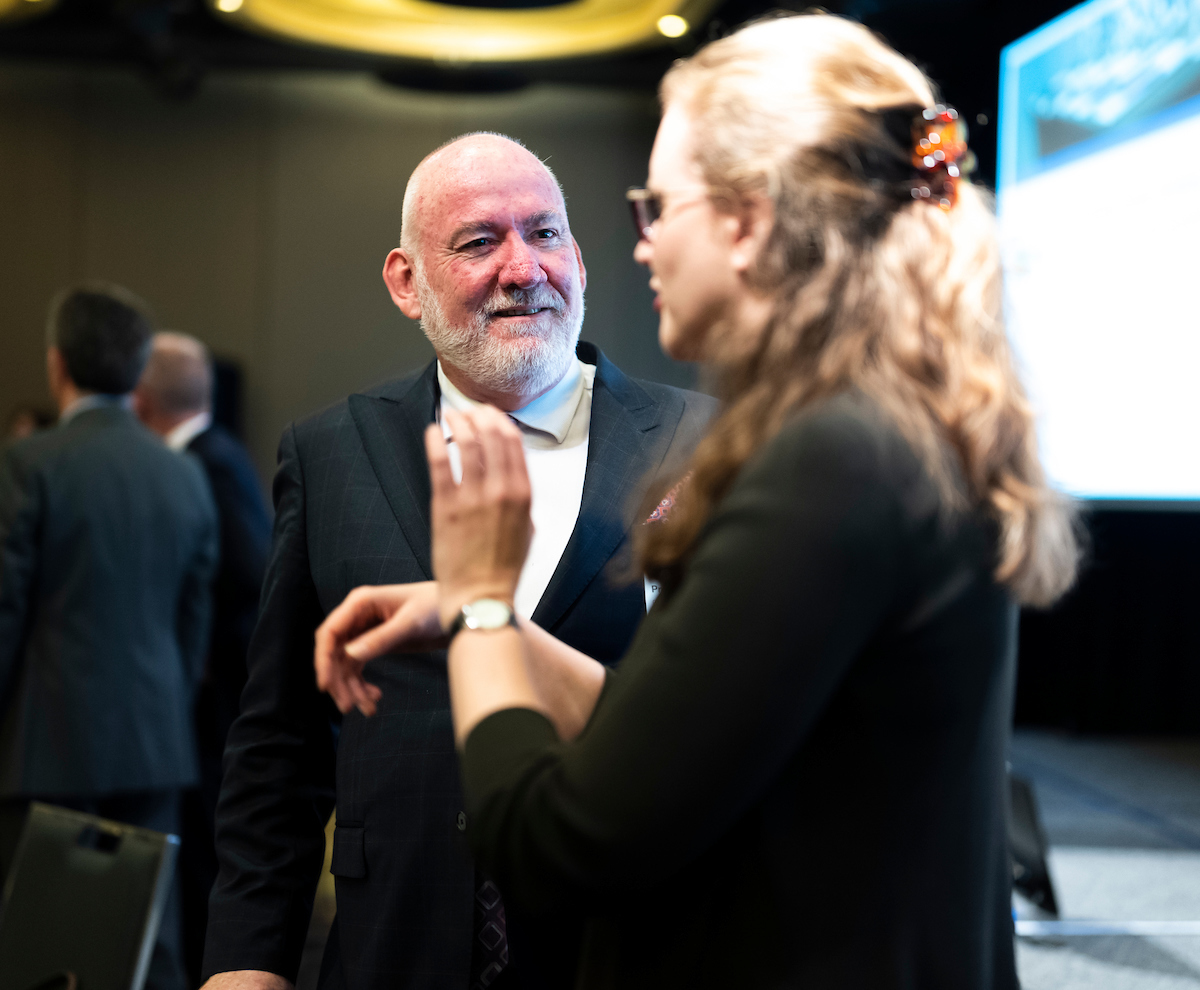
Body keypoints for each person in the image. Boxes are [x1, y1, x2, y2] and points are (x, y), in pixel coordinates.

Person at [314, 15, 1081, 990]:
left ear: (747, 223)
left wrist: (481, 607)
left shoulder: (827, 464)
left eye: (658, 207)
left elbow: (551, 843)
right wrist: (473, 621)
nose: (641, 247)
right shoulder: (880, 433)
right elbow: (685, 730)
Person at [200, 133, 715, 990]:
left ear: (580, 260)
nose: (523, 268)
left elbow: (723, 728)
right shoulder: (332, 454)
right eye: (480, 242)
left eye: (545, 234)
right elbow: (278, 744)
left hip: (622, 948)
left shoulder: (706, 444)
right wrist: (246, 965)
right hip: (390, 950)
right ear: (407, 282)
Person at [0, 283, 218, 990]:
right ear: (136, 370)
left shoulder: (28, 464)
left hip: (45, 745)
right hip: (156, 741)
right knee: (148, 944)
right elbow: (194, 622)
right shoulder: (183, 475)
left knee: (41, 950)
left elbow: (5, 612)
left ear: (57, 364)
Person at [135, 331, 273, 987]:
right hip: (221, 693)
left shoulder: (207, 462)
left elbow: (248, 571)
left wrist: (202, 653)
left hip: (222, 698)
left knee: (207, 853)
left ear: (141, 398)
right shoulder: (214, 453)